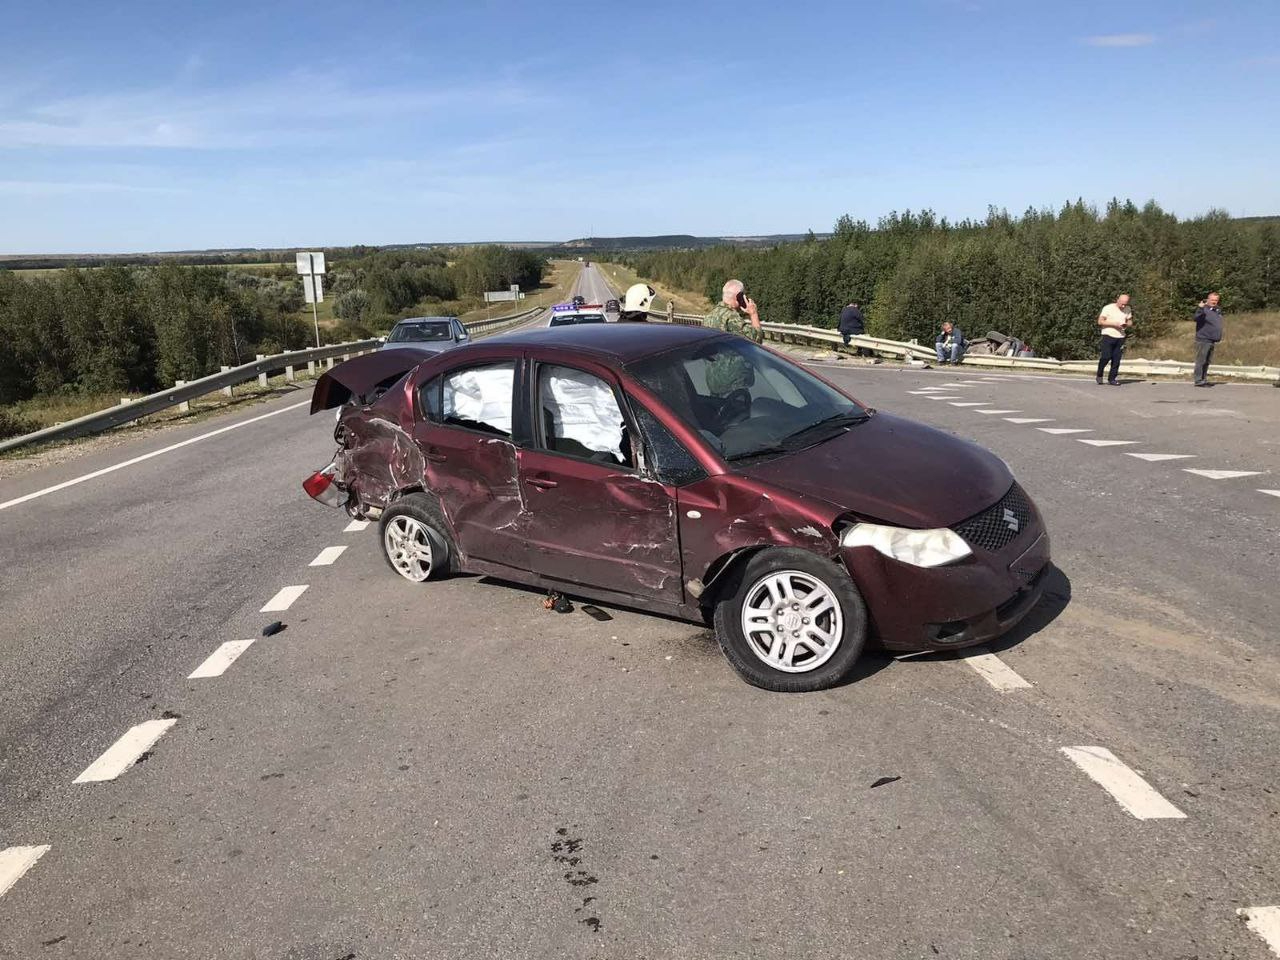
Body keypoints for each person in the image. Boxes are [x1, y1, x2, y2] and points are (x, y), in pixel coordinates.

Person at [703, 279, 764, 396]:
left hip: (714, 382)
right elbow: (756, 340)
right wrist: (753, 314)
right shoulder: (731, 318)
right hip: (734, 384)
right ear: (739, 297)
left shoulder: (709, 317)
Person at [1096, 293, 1133, 385]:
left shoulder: (1128, 309)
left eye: (1125, 304)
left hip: (1120, 336)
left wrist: (1127, 324)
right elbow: (1100, 321)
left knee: (1116, 359)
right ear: (1118, 300)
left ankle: (1112, 378)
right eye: (1122, 304)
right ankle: (1099, 373)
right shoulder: (1108, 308)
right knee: (1106, 356)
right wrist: (1114, 324)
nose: (1123, 306)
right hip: (1108, 334)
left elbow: (1130, 321)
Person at [1193, 292, 1224, 387]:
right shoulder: (1203, 310)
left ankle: (1204, 379)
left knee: (1207, 361)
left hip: (1212, 340)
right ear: (1208, 299)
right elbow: (1196, 318)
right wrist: (1200, 308)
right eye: (1212, 300)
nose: (1214, 302)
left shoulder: (1216, 310)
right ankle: (1198, 380)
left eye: (1216, 300)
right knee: (1201, 360)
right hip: (1203, 339)